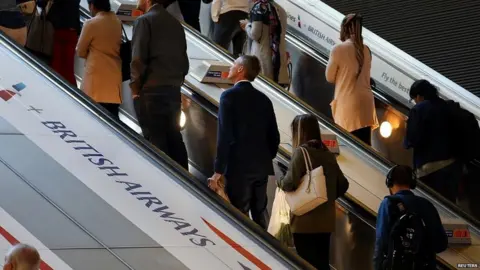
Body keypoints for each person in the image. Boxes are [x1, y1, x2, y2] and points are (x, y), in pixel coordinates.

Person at [209, 55, 280, 229]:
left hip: (239, 167)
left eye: (233, 65)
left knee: (238, 216)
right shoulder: (264, 100)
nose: (230, 68)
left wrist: (218, 170)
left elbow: (225, 135)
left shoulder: (228, 97)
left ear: (241, 69)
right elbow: (275, 137)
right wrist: (264, 157)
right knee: (259, 213)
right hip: (261, 168)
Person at [277, 114, 349, 270]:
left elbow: (289, 183)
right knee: (322, 264)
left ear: (300, 132)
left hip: (305, 222)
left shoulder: (301, 152)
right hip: (326, 222)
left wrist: (281, 181)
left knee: (305, 264)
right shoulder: (327, 153)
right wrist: (326, 197)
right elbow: (343, 184)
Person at [131, 0, 190, 169]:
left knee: (155, 142)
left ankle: (162, 185)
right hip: (172, 91)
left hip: (151, 92)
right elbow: (184, 63)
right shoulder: (176, 24)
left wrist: (135, 90)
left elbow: (137, 59)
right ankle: (186, 183)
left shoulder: (144, 21)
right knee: (174, 139)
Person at [374, 165, 448, 270]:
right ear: (412, 183)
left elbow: (381, 242)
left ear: (389, 183)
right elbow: (441, 244)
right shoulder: (427, 205)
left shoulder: (388, 203)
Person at [404, 79, 462, 203]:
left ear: (419, 96)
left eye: (414, 99)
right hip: (452, 165)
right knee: (449, 206)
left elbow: (412, 140)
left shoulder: (418, 110)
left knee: (429, 205)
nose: (414, 102)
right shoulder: (447, 106)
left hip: (429, 169)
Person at [325, 13, 378, 145]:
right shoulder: (366, 50)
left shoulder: (338, 49)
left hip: (348, 104)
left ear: (344, 29)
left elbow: (330, 77)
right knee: (365, 146)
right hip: (366, 104)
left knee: (348, 146)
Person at [76, 0, 122, 119]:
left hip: (95, 80)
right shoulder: (117, 22)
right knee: (112, 118)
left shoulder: (91, 23)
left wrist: (92, 54)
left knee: (93, 117)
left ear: (92, 5)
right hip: (113, 78)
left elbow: (80, 50)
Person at [241, 0, 289, 86]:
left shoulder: (259, 8)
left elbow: (255, 34)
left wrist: (247, 26)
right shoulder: (280, 9)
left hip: (262, 57)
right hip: (278, 60)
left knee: (261, 89)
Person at [37, 0, 81, 86]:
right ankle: (71, 91)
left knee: (56, 64)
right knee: (68, 67)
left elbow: (41, 3)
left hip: (59, 29)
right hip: (73, 31)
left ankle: (53, 86)